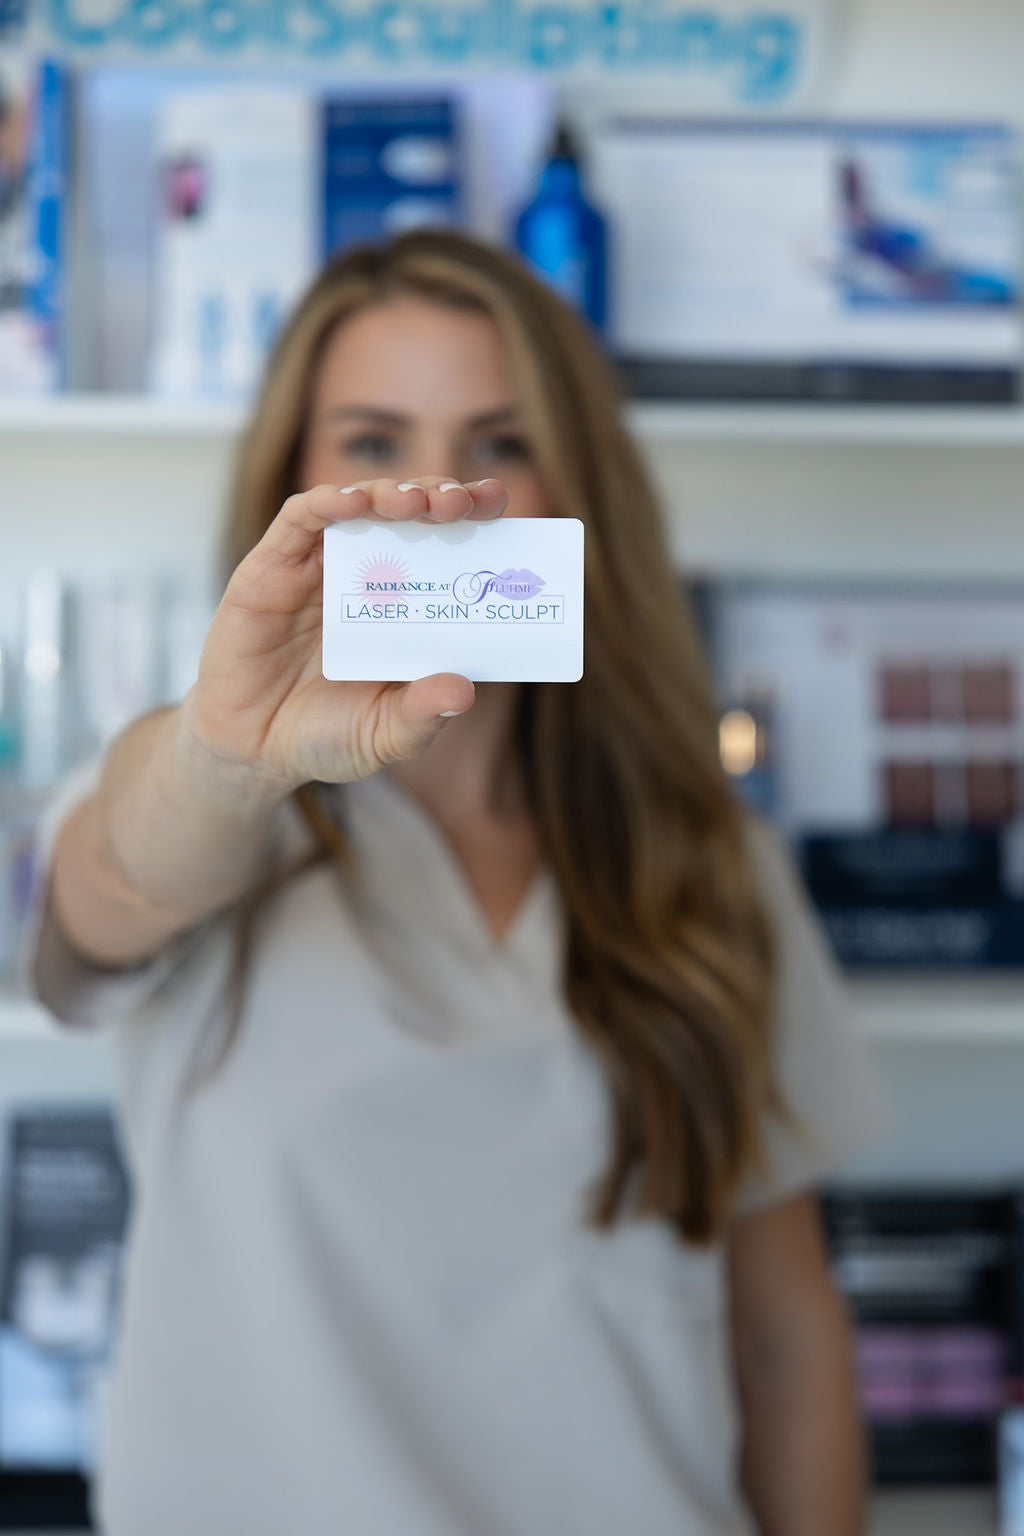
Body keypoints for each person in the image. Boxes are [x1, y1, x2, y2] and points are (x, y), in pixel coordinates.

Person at [25, 228, 892, 1536]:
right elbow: (100, 903)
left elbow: (783, 1328)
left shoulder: (709, 858)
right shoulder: (206, 800)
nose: (436, 496)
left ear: (575, 488)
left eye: (500, 442)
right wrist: (218, 758)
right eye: (373, 443)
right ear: (291, 484)